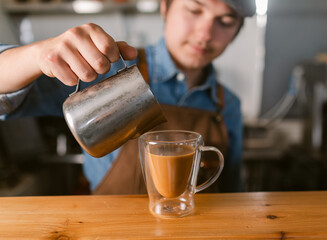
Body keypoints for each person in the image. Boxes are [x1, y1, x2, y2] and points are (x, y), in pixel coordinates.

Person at [0, 0, 255, 194]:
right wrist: (36, 55)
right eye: (195, 10)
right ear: (165, 7)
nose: (205, 33)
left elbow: (231, 189)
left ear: (237, 31)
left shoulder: (227, 104)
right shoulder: (103, 71)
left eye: (225, 20)